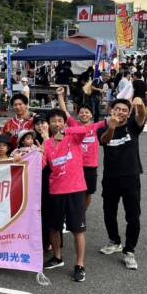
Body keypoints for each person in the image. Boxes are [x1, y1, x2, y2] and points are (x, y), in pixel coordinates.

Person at [97, 97, 147, 270]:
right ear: (111, 110)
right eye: (117, 109)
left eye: (124, 110)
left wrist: (140, 105)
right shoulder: (103, 127)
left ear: (128, 113)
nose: (120, 112)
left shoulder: (133, 125)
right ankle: (114, 241)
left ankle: (129, 251)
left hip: (131, 177)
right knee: (109, 212)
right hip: (110, 177)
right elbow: (104, 141)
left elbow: (142, 116)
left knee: (133, 216)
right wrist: (111, 127)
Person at [39, 108, 89, 282]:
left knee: (78, 229)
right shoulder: (46, 143)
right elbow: (41, 164)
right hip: (56, 190)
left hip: (75, 189)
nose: (56, 124)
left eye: (60, 120)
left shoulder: (73, 137)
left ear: (64, 122)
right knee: (54, 227)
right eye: (53, 121)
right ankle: (57, 257)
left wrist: (66, 130)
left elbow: (84, 129)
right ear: (49, 124)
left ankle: (80, 265)